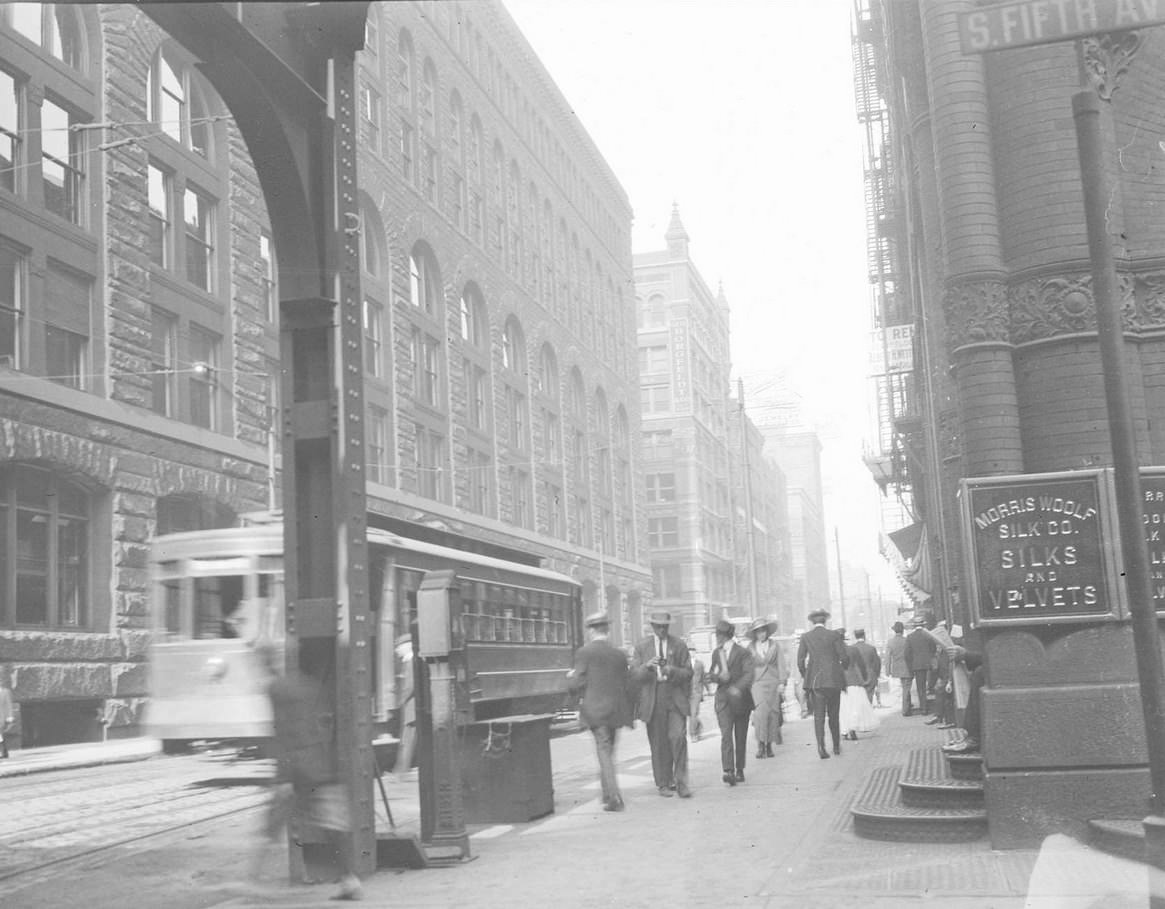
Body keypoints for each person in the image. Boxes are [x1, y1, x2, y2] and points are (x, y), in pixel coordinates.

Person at [254, 644, 362, 901]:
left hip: (297, 771)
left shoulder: (276, 689)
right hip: (322, 768)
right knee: (332, 826)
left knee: (271, 825)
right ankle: (351, 881)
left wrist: (283, 777)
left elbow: (284, 733)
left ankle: (252, 882)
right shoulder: (311, 686)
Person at [566, 611, 633, 812]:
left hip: (595, 711)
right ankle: (606, 794)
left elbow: (576, 683)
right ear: (607, 629)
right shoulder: (619, 654)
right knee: (609, 752)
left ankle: (614, 797)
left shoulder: (584, 653)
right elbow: (627, 682)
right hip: (615, 711)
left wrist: (570, 677)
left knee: (603, 752)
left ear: (591, 631)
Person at [631, 610, 693, 798]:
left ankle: (682, 783)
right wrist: (647, 666)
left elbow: (689, 673)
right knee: (658, 743)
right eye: (658, 626)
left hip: (674, 697)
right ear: (652, 627)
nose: (662, 630)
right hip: (653, 698)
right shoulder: (642, 647)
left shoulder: (679, 645)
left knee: (678, 738)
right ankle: (663, 783)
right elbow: (634, 675)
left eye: (665, 627)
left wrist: (671, 670)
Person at [796, 608, 849, 759]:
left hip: (816, 681)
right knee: (834, 715)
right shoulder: (834, 635)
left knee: (818, 716)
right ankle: (836, 746)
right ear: (825, 621)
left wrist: (806, 675)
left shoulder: (806, 637)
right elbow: (844, 657)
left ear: (812, 622)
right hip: (833, 680)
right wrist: (842, 669)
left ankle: (821, 748)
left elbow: (800, 660)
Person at [708, 619, 755, 785]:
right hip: (723, 700)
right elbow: (711, 674)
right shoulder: (716, 653)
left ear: (724, 636)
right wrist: (717, 677)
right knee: (726, 735)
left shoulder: (742, 653)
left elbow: (749, 674)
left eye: (718, 635)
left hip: (741, 699)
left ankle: (740, 769)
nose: (718, 638)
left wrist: (737, 688)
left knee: (740, 736)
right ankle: (728, 770)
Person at [746, 617, 787, 758]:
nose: (761, 634)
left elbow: (781, 664)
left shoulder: (775, 646)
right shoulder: (750, 648)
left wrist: (782, 682)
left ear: (767, 632)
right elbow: (747, 668)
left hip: (773, 683)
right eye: (758, 632)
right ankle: (760, 745)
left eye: (763, 631)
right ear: (755, 634)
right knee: (759, 714)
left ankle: (769, 746)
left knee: (772, 714)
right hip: (756, 683)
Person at [840, 629, 877, 741]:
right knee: (854, 706)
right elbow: (860, 665)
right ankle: (853, 728)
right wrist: (864, 677)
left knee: (843, 707)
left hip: (840, 683)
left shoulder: (833, 652)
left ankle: (844, 730)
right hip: (854, 681)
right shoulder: (853, 650)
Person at [392, 633, 417, 779]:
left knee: (407, 740)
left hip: (411, 708)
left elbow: (409, 686)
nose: (397, 651)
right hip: (411, 708)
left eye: (398, 647)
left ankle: (401, 771)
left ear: (407, 646)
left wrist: (399, 701)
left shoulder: (410, 662)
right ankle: (401, 769)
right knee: (408, 739)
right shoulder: (410, 661)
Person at [904, 615, 938, 716]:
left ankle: (924, 708)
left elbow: (907, 654)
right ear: (923, 625)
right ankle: (936, 709)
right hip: (929, 665)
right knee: (931, 685)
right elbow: (934, 649)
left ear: (914, 626)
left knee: (921, 687)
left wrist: (911, 667)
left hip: (917, 666)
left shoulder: (910, 637)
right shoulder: (929, 635)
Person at [884, 621, 911, 716]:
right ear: (903, 630)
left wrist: (887, 670)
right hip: (908, 667)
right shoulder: (907, 640)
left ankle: (908, 705)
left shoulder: (890, 642)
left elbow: (887, 657)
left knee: (904, 687)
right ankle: (906, 710)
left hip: (897, 668)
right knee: (906, 688)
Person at [852, 629, 881, 706]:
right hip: (870, 676)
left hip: (857, 677)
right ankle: (868, 713)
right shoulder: (871, 648)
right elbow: (877, 663)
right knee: (869, 696)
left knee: (858, 697)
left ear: (855, 637)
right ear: (864, 636)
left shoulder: (852, 648)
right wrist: (876, 675)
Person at [688, 652, 707, 742]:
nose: (690, 652)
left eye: (692, 650)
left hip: (696, 692)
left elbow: (703, 677)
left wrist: (708, 689)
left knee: (693, 713)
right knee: (691, 714)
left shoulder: (699, 664)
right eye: (689, 650)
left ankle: (693, 734)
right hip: (686, 693)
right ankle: (698, 726)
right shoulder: (683, 663)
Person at [0, 673, 14, 759]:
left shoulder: (5, 692)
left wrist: (10, 718)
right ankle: (4, 752)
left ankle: (2, 752)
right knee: (0, 735)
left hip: (2, 717)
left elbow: (9, 705)